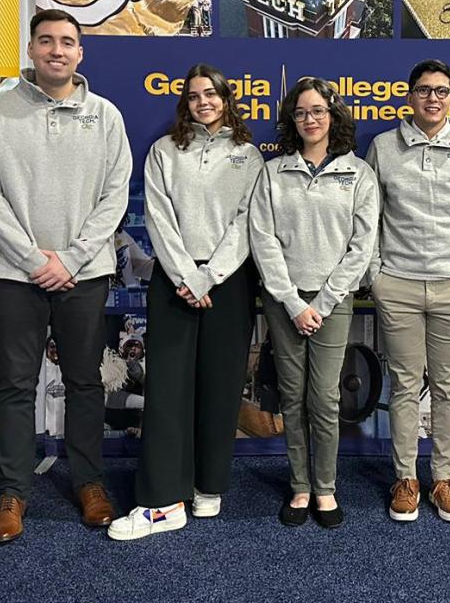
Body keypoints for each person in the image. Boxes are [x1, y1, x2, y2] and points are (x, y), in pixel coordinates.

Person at [0, 9, 131, 543]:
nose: (57, 50)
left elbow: (115, 194)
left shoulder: (105, 115)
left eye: (67, 42)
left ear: (80, 53)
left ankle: (88, 480)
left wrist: (72, 258)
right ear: (32, 49)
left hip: (84, 274)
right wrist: (36, 260)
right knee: (16, 384)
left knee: (86, 382)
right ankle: (12, 491)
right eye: (46, 42)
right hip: (18, 275)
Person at [107, 64, 262, 541]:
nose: (203, 102)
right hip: (175, 281)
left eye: (211, 94)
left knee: (220, 385)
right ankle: (161, 501)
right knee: (168, 390)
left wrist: (210, 276)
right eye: (195, 96)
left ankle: (208, 486)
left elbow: (247, 221)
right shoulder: (164, 151)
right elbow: (158, 216)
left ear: (226, 99)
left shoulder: (248, 155)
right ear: (186, 103)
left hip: (229, 280)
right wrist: (185, 276)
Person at [249, 76, 379, 529]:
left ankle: (325, 489)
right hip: (284, 302)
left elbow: (362, 246)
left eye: (318, 111)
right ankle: (299, 486)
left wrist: (321, 303)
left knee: (323, 398)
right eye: (301, 112)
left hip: (332, 302)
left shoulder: (358, 173)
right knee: (292, 397)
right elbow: (262, 239)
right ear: (292, 120)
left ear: (333, 116)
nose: (310, 119)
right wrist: (290, 300)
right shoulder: (273, 172)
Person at [367, 59, 450, 524]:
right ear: (410, 96)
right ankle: (405, 477)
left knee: (446, 388)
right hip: (397, 284)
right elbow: (371, 216)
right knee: (403, 385)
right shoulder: (383, 147)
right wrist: (376, 275)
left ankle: (442, 478)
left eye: (441, 91)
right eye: (423, 90)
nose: (432, 98)